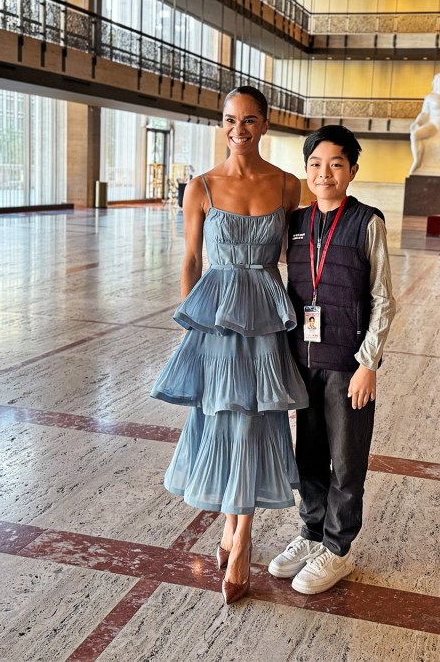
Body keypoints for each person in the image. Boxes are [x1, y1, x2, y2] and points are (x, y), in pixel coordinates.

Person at [150, 86, 307, 605]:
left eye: (249, 120)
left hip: (265, 325)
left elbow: (306, 254)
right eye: (230, 120)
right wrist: (193, 326)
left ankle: (240, 539)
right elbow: (191, 262)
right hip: (216, 327)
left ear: (265, 125)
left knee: (254, 422)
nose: (238, 129)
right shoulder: (201, 187)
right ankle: (232, 529)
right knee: (224, 420)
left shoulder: (288, 187)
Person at [269, 125, 397, 595]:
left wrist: (369, 364)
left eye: (336, 164)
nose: (325, 173)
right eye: (316, 164)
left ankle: (338, 549)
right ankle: (311, 532)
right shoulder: (296, 222)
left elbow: (383, 298)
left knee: (346, 460)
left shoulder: (368, 222)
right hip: (303, 360)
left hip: (347, 364)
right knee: (310, 456)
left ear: (353, 171)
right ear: (306, 170)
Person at [409, 72, 440, 174]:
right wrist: (417, 122)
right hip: (433, 125)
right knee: (414, 135)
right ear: (435, 83)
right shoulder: (429, 97)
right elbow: (424, 113)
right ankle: (417, 161)